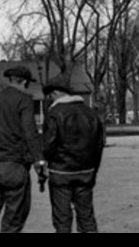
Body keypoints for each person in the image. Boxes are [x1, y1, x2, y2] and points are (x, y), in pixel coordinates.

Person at [0, 66, 46, 233]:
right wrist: (39, 161)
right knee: (13, 221)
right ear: (25, 81)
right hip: (13, 166)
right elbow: (30, 133)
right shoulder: (24, 99)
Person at [42, 74, 105, 233]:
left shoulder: (54, 113)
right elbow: (99, 146)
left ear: (54, 93)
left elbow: (48, 145)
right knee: (87, 217)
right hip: (86, 172)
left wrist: (45, 163)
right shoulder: (91, 113)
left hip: (60, 172)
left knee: (62, 219)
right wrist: (93, 170)